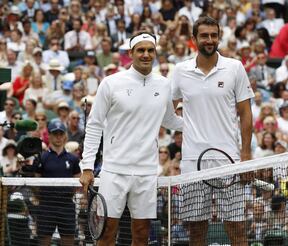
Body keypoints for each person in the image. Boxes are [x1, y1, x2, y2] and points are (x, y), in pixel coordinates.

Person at [79, 31, 183, 245]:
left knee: (142, 232)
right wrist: (87, 167)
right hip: (114, 169)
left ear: (155, 53)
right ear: (131, 53)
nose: (146, 54)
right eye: (141, 50)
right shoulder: (111, 83)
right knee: (107, 231)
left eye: (150, 50)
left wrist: (205, 124)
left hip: (146, 171)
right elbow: (95, 124)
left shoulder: (164, 85)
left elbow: (170, 121)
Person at [171, 16, 254, 246]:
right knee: (196, 231)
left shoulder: (235, 68)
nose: (210, 40)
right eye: (205, 35)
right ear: (194, 39)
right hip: (192, 161)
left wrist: (245, 156)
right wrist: (183, 126)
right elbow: (167, 109)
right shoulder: (180, 70)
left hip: (229, 160)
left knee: (236, 229)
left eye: (214, 35)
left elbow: (246, 113)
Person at [34, 120, 81, 245]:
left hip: (66, 206)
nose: (58, 137)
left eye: (61, 133)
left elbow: (78, 181)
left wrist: (67, 193)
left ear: (65, 135)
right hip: (46, 206)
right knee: (43, 242)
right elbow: (35, 182)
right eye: (55, 134)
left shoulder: (73, 159)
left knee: (68, 241)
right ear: (49, 135)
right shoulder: (42, 157)